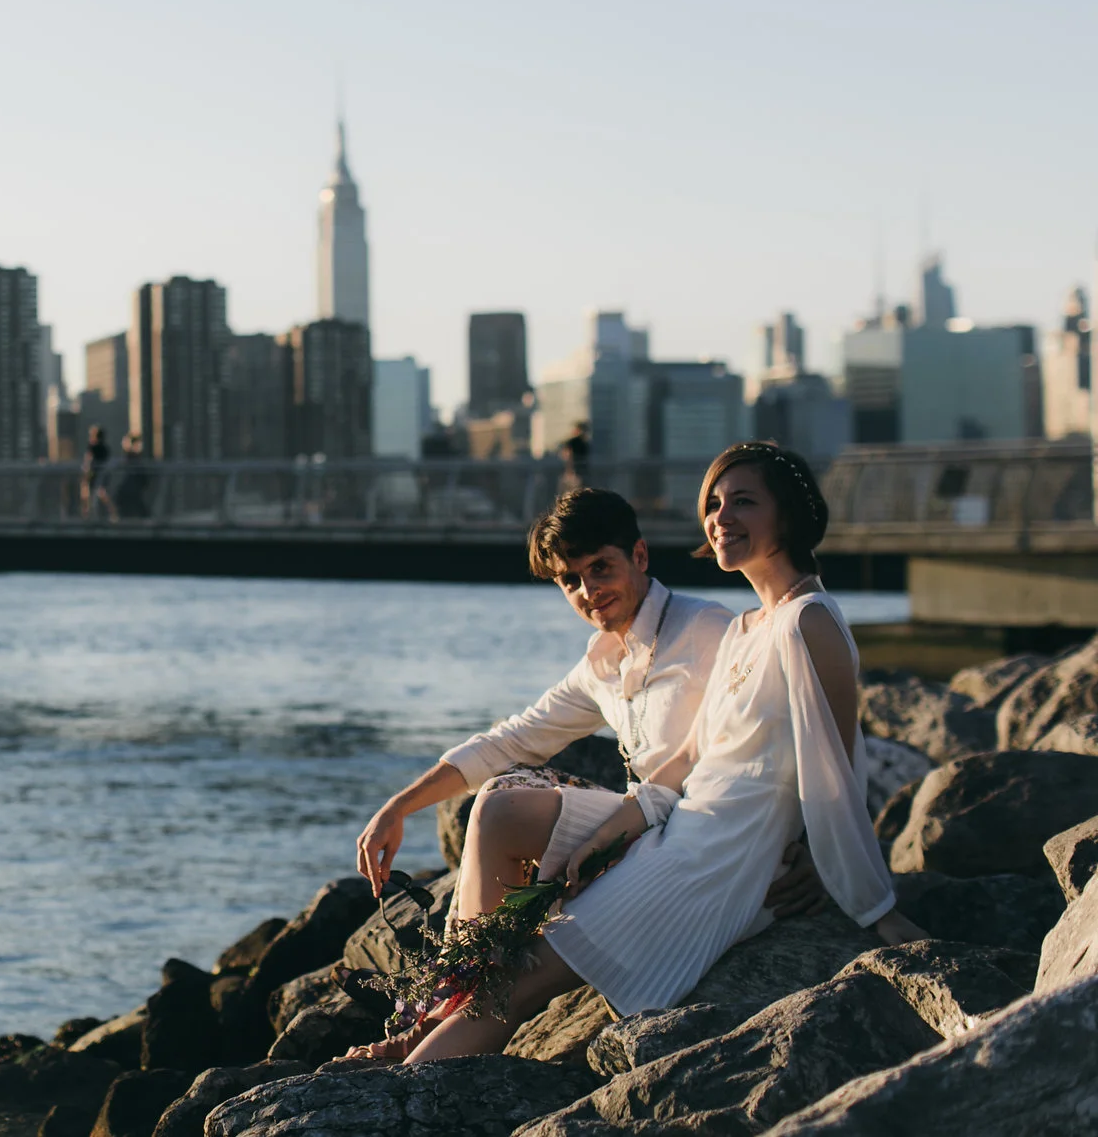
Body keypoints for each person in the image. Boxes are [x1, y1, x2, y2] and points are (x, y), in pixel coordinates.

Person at [384, 443, 925, 1066]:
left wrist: (864, 898)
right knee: (514, 946)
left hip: (717, 860)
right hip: (680, 833)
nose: (721, 517)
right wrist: (612, 831)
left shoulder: (804, 622)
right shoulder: (747, 627)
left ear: (789, 514)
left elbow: (837, 768)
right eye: (713, 504)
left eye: (744, 502)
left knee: (520, 982)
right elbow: (692, 753)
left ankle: (402, 1089)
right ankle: (430, 1029)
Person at [81, 425, 114, 520]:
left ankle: (92, 518)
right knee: (98, 498)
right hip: (100, 478)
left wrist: (85, 476)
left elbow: (88, 463)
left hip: (95, 478)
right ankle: (111, 515)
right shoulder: (105, 449)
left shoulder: (93, 448)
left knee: (92, 500)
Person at [115, 432, 150, 519]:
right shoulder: (129, 458)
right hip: (129, 491)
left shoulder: (136, 459)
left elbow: (143, 478)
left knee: (140, 511)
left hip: (134, 491)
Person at [559, 422, 592, 492]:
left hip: (580, 470)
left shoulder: (584, 443)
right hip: (574, 470)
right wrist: (570, 468)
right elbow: (567, 455)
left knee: (579, 489)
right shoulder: (573, 441)